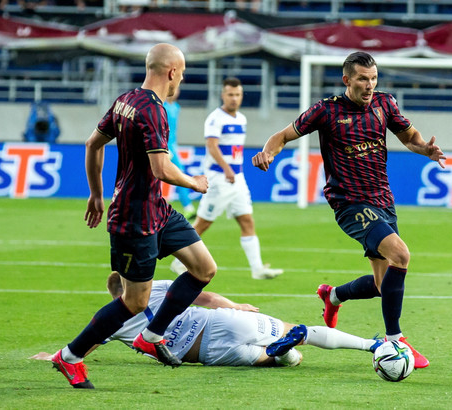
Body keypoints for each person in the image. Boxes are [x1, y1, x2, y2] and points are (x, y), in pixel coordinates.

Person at [252, 51, 447, 369]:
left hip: (384, 199)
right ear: (347, 80)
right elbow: (281, 136)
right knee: (401, 254)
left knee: (384, 285)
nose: (369, 85)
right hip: (350, 203)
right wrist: (267, 152)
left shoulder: (386, 104)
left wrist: (424, 148)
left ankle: (333, 296)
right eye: (362, 79)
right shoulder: (326, 111)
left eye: (373, 79)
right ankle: (396, 342)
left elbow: (409, 136)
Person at [51, 43, 217, 389]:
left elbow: (92, 144)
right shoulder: (154, 111)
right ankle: (70, 356)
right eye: (182, 74)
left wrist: (97, 194)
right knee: (134, 301)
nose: (181, 80)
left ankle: (152, 335)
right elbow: (160, 168)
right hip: (134, 218)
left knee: (204, 268)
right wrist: (194, 182)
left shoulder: (126, 100)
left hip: (157, 208)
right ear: (171, 71)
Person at [34, 272, 382, 367]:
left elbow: (88, 343)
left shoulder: (113, 320)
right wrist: (236, 305)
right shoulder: (156, 288)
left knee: (269, 359)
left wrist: (54, 356)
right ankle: (371, 344)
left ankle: (278, 355)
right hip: (219, 321)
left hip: (204, 353)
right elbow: (206, 297)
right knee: (298, 337)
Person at [170, 77, 283, 280]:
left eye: (237, 94)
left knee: (247, 220)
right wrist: (226, 168)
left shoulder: (241, 118)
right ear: (223, 95)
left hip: (237, 179)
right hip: (219, 179)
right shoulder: (215, 118)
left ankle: (257, 269)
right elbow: (212, 146)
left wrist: (233, 171)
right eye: (230, 94)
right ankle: (178, 261)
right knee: (203, 223)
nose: (234, 98)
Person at [163, 88, 197, 220]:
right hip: (165, 147)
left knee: (177, 175)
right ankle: (188, 208)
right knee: (178, 174)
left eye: (177, 90)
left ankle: (188, 208)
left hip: (173, 146)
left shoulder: (176, 107)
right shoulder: (162, 106)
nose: (176, 92)